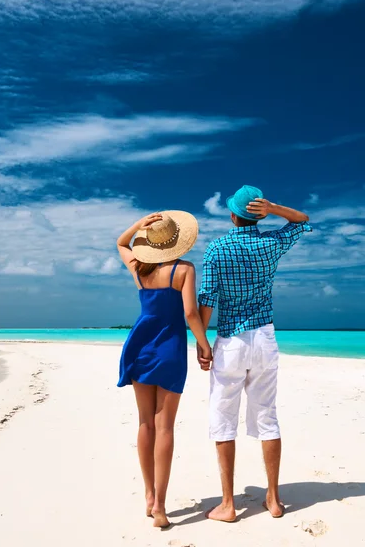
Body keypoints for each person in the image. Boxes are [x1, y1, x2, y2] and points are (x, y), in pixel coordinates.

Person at [197, 185, 311, 522]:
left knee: (223, 418)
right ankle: (274, 500)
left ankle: (228, 504)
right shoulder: (271, 243)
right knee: (267, 417)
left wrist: (202, 344)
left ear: (233, 215)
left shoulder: (216, 249)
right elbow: (303, 221)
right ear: (257, 214)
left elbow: (207, 299)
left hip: (230, 339)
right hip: (264, 337)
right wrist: (274, 208)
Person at [117, 211, 213, 529]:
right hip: (170, 350)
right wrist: (204, 344)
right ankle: (160, 506)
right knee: (165, 426)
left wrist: (138, 225)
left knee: (145, 423)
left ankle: (148, 496)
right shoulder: (184, 269)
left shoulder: (138, 268)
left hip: (139, 347)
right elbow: (189, 312)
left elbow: (120, 242)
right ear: (177, 241)